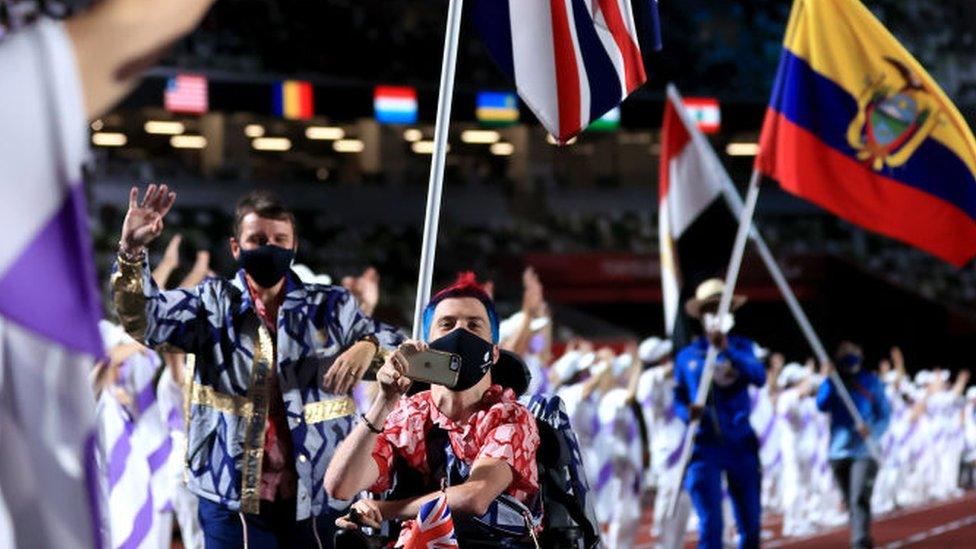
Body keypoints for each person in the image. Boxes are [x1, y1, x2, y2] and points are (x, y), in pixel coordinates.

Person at [111, 186, 403, 548]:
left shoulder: (331, 307)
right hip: (229, 492)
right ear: (236, 247)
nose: (270, 247)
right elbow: (143, 320)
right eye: (258, 238)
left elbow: (402, 349)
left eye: (281, 239)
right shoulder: (210, 304)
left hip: (316, 493)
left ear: (294, 247)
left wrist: (368, 345)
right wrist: (131, 252)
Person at [324, 272, 541, 547]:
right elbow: (340, 486)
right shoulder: (407, 414)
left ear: (494, 352)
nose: (460, 333)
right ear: (427, 345)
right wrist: (383, 403)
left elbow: (475, 496)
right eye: (447, 324)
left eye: (474, 325)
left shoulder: (510, 415)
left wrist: (385, 510)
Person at [673, 278, 766, 549]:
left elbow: (759, 377)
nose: (716, 314)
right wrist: (686, 412)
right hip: (704, 448)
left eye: (722, 307)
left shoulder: (743, 348)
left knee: (750, 523)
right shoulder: (687, 355)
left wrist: (727, 350)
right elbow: (678, 398)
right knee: (710, 525)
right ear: (701, 315)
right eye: (710, 308)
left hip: (741, 444)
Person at [816, 342, 891, 549]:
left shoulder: (870, 382)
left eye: (853, 352)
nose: (849, 356)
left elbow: (884, 414)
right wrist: (829, 380)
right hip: (838, 451)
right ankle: (863, 537)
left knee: (859, 497)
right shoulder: (834, 381)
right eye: (844, 352)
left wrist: (872, 430)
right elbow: (821, 404)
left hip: (865, 451)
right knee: (850, 500)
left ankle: (859, 541)